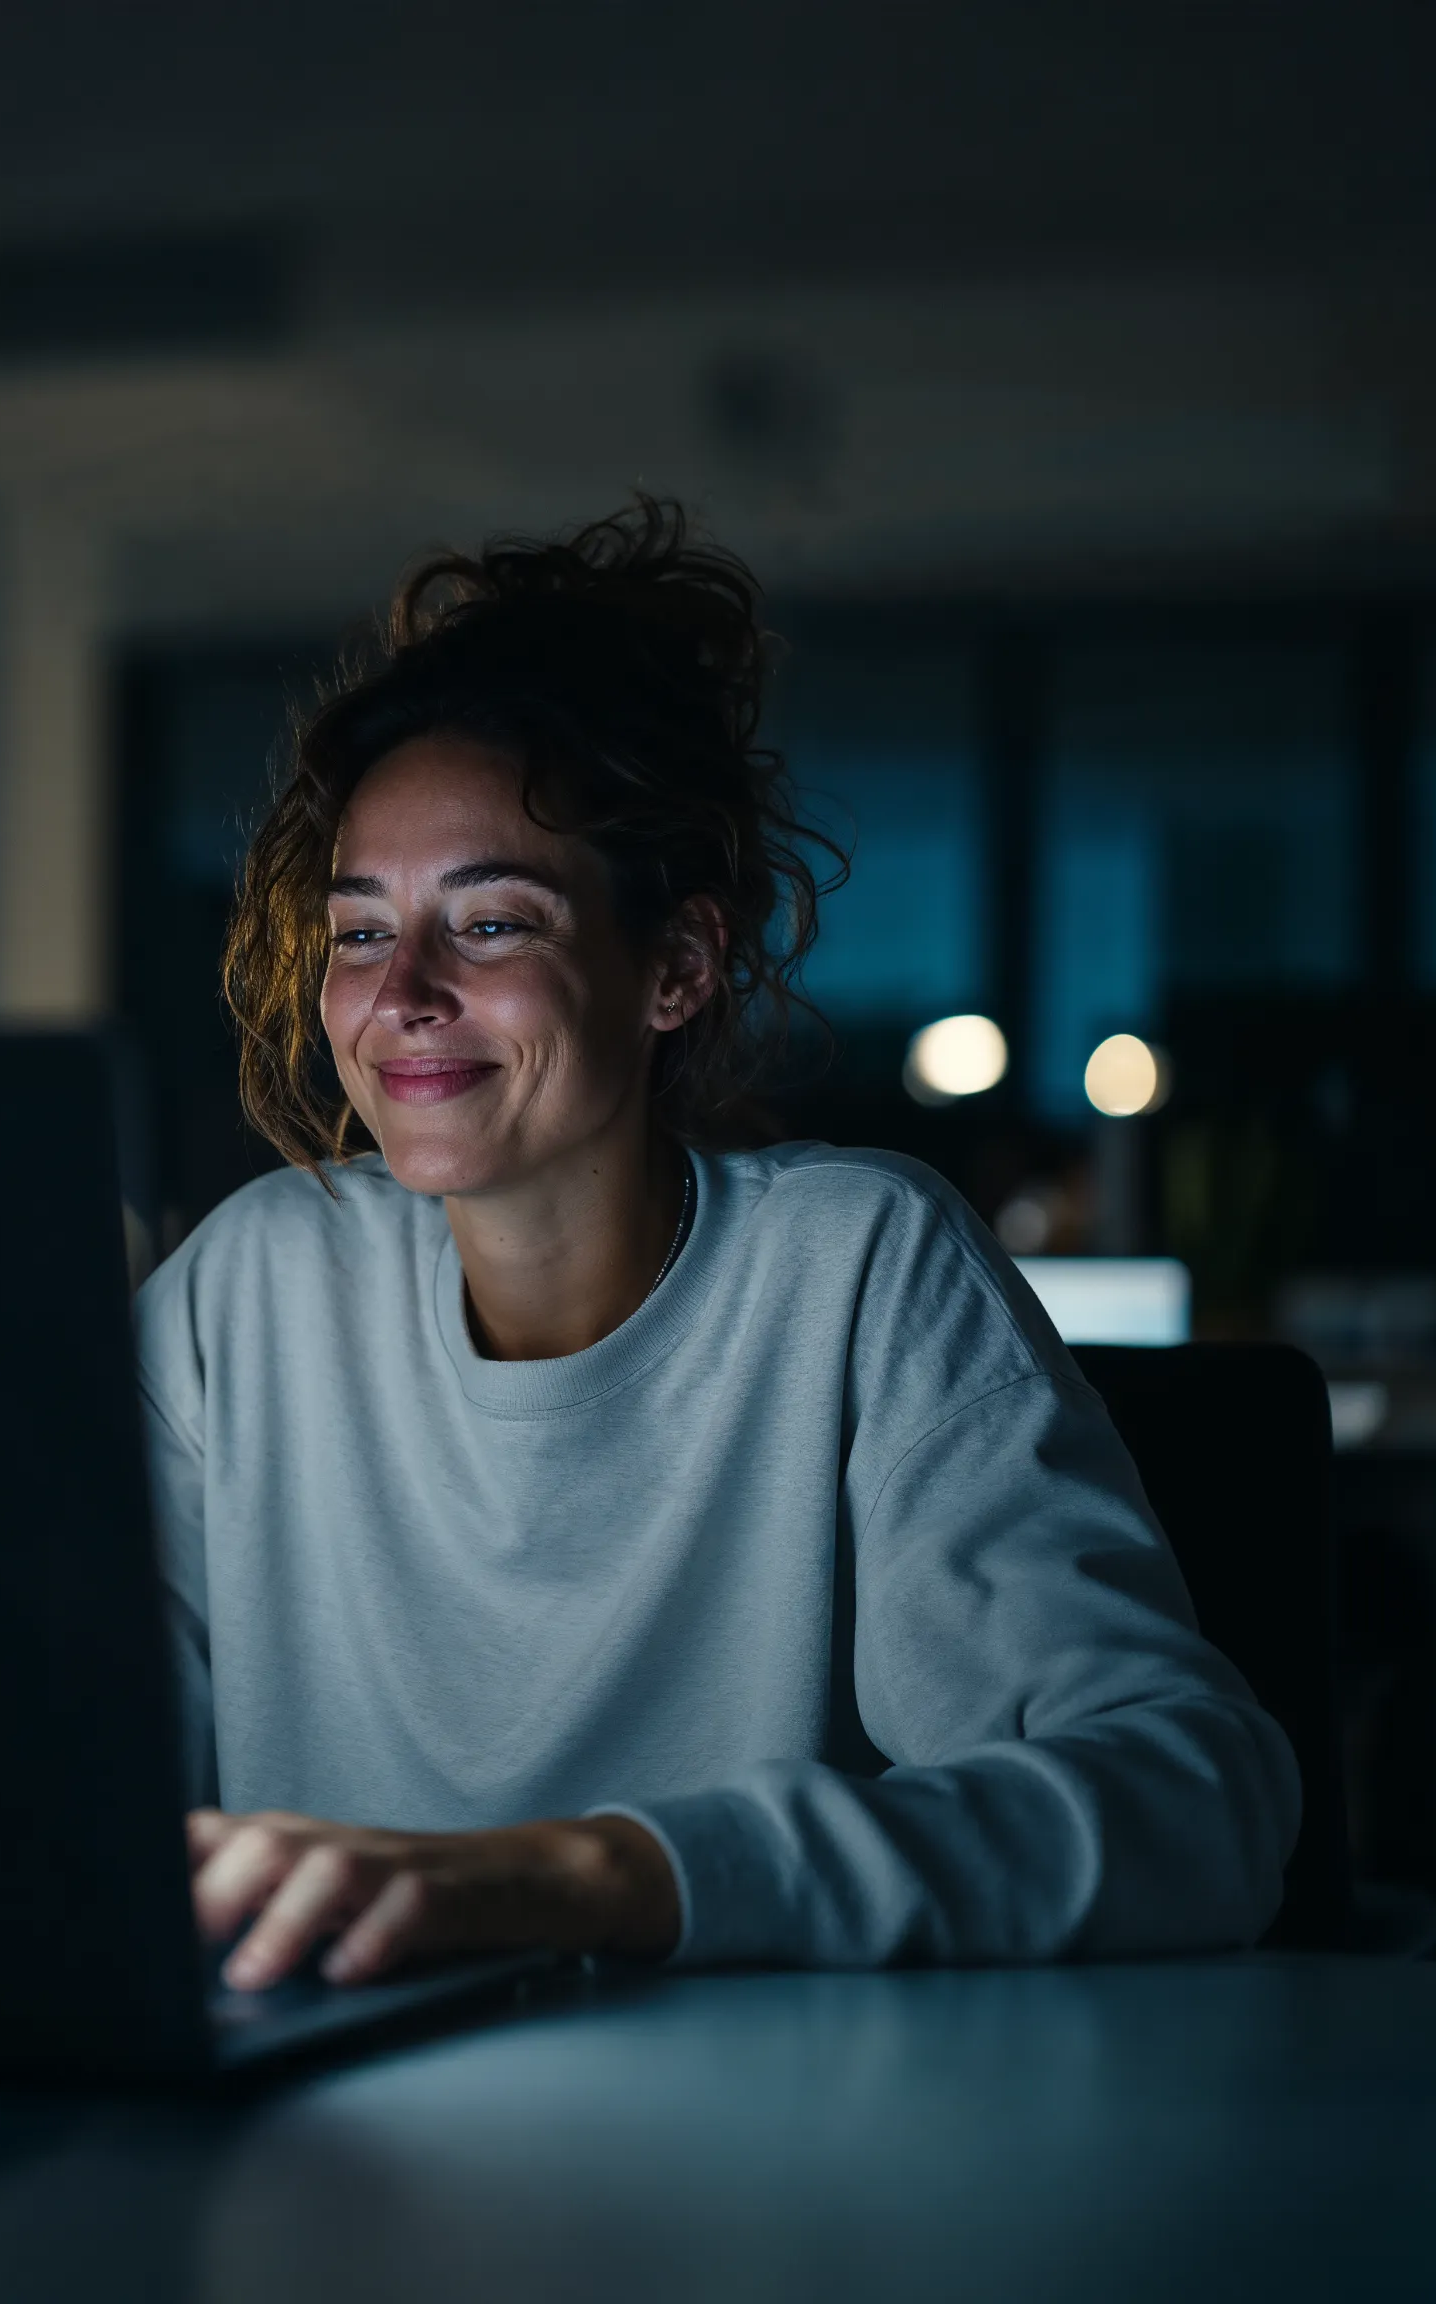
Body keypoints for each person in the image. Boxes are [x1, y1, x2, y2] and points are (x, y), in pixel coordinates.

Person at [138, 498, 1296, 1987]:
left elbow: (1196, 1806)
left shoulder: (856, 1266)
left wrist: (588, 1874)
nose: (403, 992)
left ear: (676, 968)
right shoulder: (247, 1291)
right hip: (323, 2152)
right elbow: (45, 1770)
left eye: (491, 926)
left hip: (767, 2153)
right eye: (363, 932)